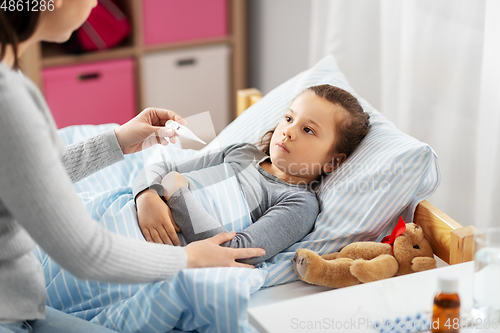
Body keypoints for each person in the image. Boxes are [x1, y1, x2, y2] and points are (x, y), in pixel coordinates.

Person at [0, 1, 265, 332]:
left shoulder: (10, 77)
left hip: (20, 300)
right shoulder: (9, 98)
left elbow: (27, 175)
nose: (97, 3)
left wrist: (117, 142)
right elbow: (86, 252)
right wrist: (190, 258)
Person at [134, 84, 371, 264]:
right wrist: (146, 196)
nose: (288, 131)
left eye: (308, 130)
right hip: (133, 211)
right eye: (289, 118)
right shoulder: (243, 153)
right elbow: (162, 169)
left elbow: (237, 253)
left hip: (147, 251)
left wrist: (177, 194)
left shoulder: (298, 203)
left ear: (333, 161)